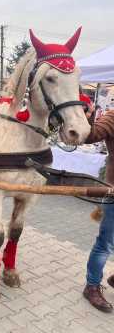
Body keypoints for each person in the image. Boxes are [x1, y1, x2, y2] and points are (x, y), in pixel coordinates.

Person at [82, 96, 114, 313]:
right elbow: (89, 135)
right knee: (106, 243)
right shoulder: (113, 117)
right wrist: (89, 115)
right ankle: (92, 286)